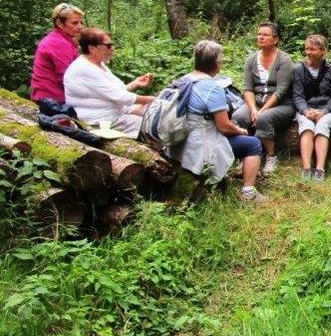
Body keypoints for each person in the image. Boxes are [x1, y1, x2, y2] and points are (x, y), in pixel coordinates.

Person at [165, 40, 267, 202]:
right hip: (199, 146)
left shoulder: (182, 80)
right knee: (252, 144)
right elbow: (224, 127)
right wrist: (240, 130)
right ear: (216, 64)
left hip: (177, 142)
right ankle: (248, 192)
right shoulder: (212, 88)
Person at [63, 27, 154, 137]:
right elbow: (120, 97)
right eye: (108, 46)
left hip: (116, 111)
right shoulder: (84, 68)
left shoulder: (98, 64)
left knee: (153, 112)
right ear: (92, 48)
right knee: (158, 124)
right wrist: (154, 100)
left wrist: (135, 83)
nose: (112, 48)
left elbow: (114, 91)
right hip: (100, 120)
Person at [232, 22, 295, 175]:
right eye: (259, 34)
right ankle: (244, 157)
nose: (260, 37)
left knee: (263, 118)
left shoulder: (284, 60)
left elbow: (281, 91)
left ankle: (271, 157)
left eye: (265, 35)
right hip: (257, 103)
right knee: (238, 116)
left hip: (282, 105)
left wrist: (261, 112)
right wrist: (253, 109)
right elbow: (247, 88)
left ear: (275, 39)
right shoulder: (251, 60)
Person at [293, 34, 331, 181]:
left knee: (322, 126)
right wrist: (305, 111)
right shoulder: (299, 70)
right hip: (306, 109)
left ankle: (320, 169)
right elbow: (297, 96)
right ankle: (307, 168)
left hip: (328, 110)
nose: (308, 52)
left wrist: (323, 112)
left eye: (313, 49)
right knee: (307, 127)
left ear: (323, 51)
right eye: (307, 49)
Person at [30, 2, 85, 104]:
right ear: (60, 23)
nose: (80, 26)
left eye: (81, 23)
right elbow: (68, 79)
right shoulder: (58, 43)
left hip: (50, 98)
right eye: (74, 23)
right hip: (52, 101)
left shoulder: (61, 39)